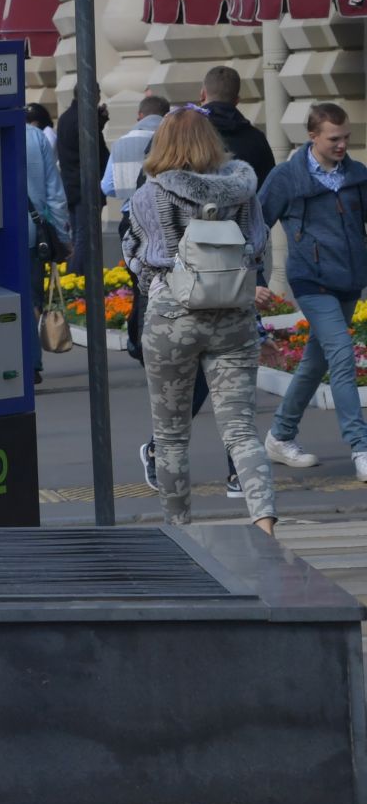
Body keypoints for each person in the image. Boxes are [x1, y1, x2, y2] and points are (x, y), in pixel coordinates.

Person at [121, 104, 275, 533]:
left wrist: (156, 277)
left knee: (170, 436)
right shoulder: (243, 188)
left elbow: (137, 253)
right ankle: (265, 523)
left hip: (173, 319)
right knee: (242, 430)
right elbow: (258, 245)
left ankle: (180, 529)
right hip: (234, 318)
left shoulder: (151, 194)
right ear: (211, 141)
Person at [258, 102, 367, 482]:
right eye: (334, 139)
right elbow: (256, 226)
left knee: (315, 361)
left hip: (350, 280)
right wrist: (254, 277)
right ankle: (361, 447)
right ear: (312, 137)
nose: (342, 145)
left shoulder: (357, 175)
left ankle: (280, 436)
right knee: (340, 354)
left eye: (346, 138)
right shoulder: (287, 177)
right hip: (310, 280)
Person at [24, 111, 71, 383]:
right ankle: (31, 362)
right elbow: (55, 193)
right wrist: (63, 237)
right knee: (32, 299)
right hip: (32, 233)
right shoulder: (35, 137)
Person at [198, 64, 277, 185]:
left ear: (202, 95)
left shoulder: (185, 133)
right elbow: (269, 188)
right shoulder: (257, 139)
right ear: (237, 100)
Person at [56, 98, 109, 270]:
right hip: (85, 187)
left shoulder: (65, 117)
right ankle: (76, 275)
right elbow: (92, 148)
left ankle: (74, 276)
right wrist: (98, 123)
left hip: (71, 185)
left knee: (78, 234)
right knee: (84, 236)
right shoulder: (83, 118)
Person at [101, 95, 167, 203]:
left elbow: (107, 187)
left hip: (131, 211)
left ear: (140, 115)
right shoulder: (174, 139)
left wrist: (129, 192)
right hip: (165, 211)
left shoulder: (121, 143)